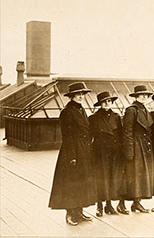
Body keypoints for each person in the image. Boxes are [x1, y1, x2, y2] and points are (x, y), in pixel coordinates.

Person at [48, 82, 97, 226]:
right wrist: (72, 156)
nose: (81, 96)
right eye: (78, 94)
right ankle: (70, 213)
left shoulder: (81, 110)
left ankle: (79, 211)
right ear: (72, 96)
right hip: (73, 152)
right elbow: (67, 136)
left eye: (83, 94)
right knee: (71, 183)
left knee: (82, 182)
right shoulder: (67, 112)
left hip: (84, 151)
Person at [89, 91, 128, 217]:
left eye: (109, 101)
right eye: (104, 101)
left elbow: (121, 135)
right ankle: (99, 206)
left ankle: (109, 205)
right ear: (100, 103)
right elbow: (90, 137)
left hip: (114, 152)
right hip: (100, 152)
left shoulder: (116, 116)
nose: (107, 103)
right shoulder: (94, 118)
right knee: (101, 178)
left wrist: (122, 150)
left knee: (112, 177)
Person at [122, 85, 154, 213]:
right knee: (134, 175)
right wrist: (129, 150)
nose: (144, 97)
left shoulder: (144, 109)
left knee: (140, 175)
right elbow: (127, 132)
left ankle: (137, 202)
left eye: (146, 95)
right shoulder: (131, 110)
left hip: (144, 145)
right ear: (136, 96)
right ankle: (129, 203)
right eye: (141, 95)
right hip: (136, 145)